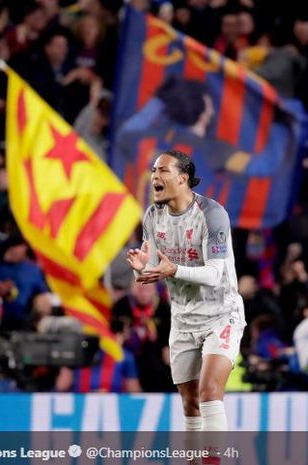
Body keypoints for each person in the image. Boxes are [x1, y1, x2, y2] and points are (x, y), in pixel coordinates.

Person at [126, 150, 245, 432]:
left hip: (220, 315)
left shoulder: (212, 214)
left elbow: (215, 274)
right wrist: (141, 268)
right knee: (190, 405)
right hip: (182, 320)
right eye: (153, 170)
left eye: (163, 170)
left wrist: (174, 270)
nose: (154, 176)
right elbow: (153, 270)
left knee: (209, 394)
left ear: (183, 179)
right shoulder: (153, 216)